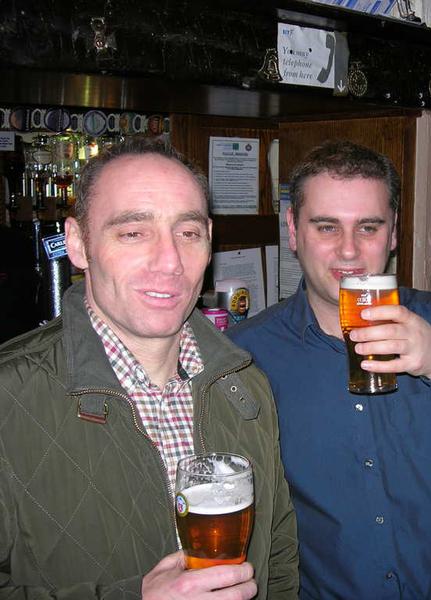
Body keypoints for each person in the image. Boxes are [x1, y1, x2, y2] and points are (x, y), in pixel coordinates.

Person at [228, 139, 431, 599]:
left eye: (368, 227)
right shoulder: (244, 352)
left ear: (394, 233)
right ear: (293, 230)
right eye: (327, 227)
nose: (348, 251)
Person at [0, 137, 298, 598]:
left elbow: (278, 559)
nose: (170, 261)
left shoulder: (246, 387)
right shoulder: (9, 397)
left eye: (188, 233)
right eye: (134, 233)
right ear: (78, 244)